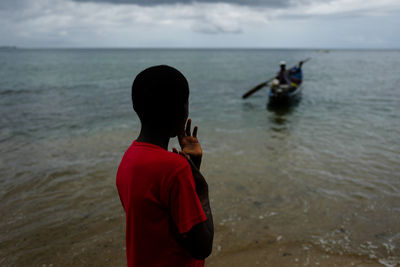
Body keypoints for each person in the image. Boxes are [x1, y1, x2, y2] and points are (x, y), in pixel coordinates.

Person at [116, 65, 214, 267]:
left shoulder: (129, 158)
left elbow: (159, 223)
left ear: (137, 107)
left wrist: (192, 168)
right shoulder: (174, 168)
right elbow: (202, 246)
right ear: (181, 108)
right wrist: (202, 190)